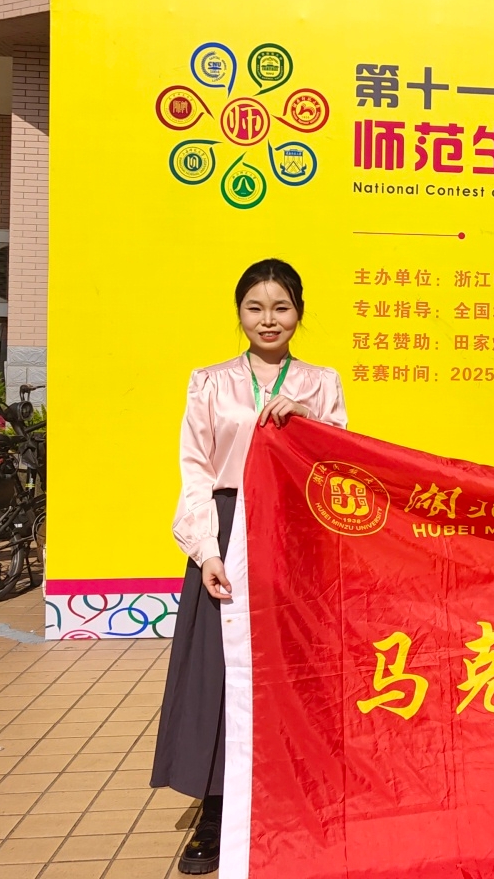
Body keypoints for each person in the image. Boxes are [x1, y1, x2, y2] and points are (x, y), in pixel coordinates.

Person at [151, 259, 348, 875]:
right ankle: (214, 810)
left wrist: (306, 420)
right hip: (227, 530)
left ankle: (300, 792)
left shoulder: (321, 383)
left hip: (294, 532)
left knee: (294, 664)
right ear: (239, 312)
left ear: (300, 314)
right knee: (218, 670)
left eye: (281, 307)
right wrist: (207, 550)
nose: (268, 319)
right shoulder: (210, 383)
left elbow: (340, 463)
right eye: (255, 307)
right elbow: (196, 470)